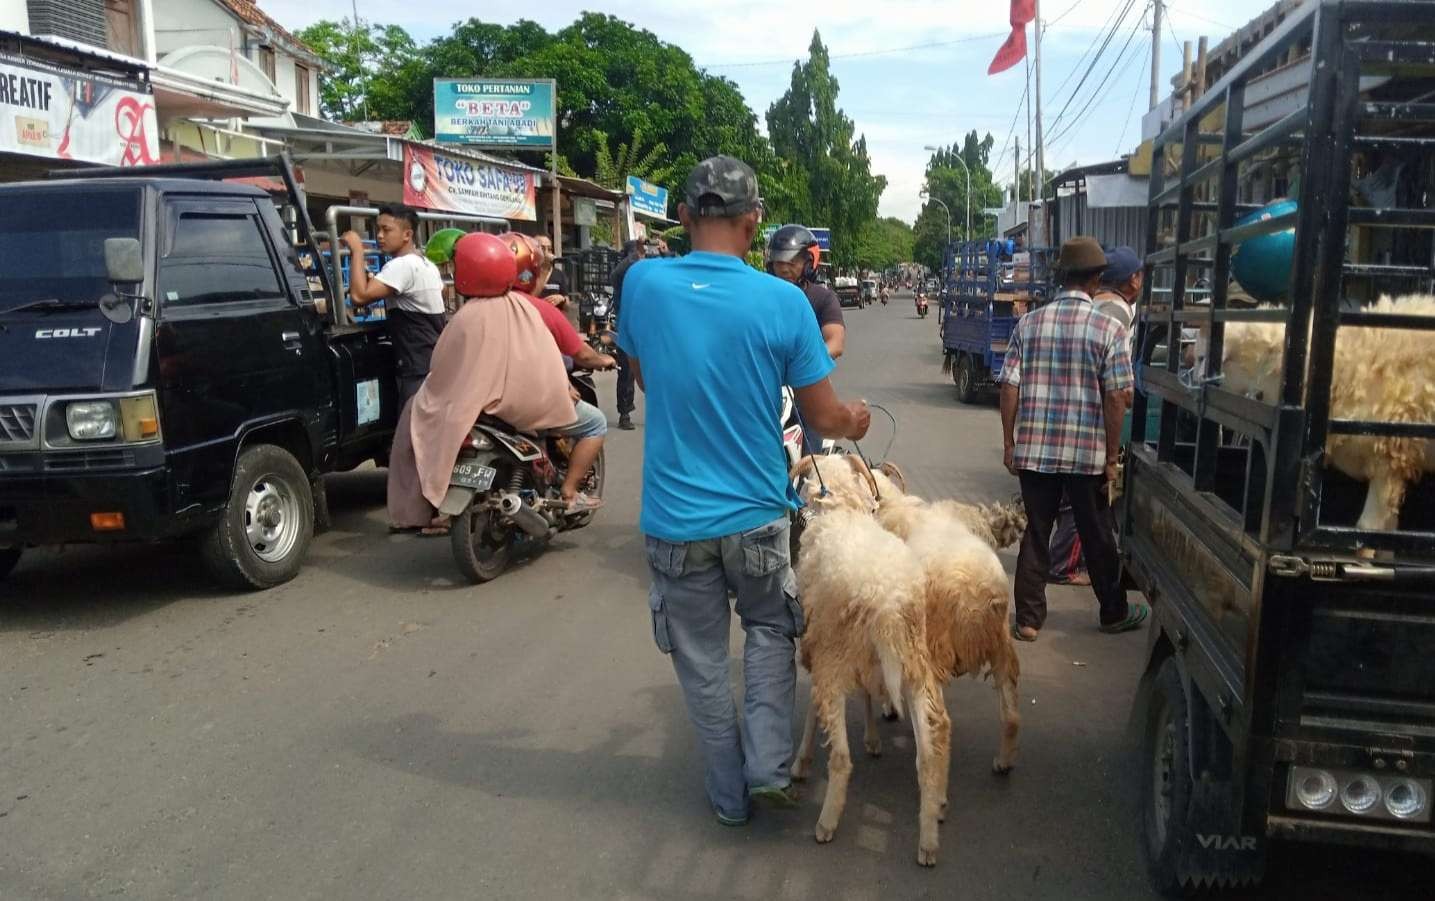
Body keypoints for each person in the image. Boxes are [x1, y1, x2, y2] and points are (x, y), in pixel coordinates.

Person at [618, 155, 870, 828]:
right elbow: (822, 418)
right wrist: (855, 421)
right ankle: (766, 770)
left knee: (700, 659)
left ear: (681, 217)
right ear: (753, 222)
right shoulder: (783, 301)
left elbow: (644, 380)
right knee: (766, 632)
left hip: (673, 521)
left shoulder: (641, 283)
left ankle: (728, 797)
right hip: (758, 514)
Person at [385, 233, 606, 534]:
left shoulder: (463, 317)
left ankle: (421, 510)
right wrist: (562, 385)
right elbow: (547, 363)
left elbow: (442, 367)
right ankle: (569, 491)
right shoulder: (530, 309)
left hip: (476, 409)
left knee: (416, 416)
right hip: (527, 408)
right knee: (595, 424)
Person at [999, 236, 1148, 642]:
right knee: (1098, 534)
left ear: (1062, 276)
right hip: (1087, 455)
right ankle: (1113, 612)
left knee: (1037, 531)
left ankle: (1028, 620)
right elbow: (1117, 395)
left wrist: (1010, 443)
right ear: (1097, 279)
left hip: (1036, 452)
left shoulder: (1028, 324)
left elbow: (1009, 387)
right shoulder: (1108, 328)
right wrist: (1112, 456)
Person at [1047, 245, 1144, 587]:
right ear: (1131, 279)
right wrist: (1111, 455)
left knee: (1065, 502)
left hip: (1056, 422)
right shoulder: (1115, 315)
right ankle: (1067, 565)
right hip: (1091, 425)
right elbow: (1116, 390)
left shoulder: (1067, 312)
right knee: (1088, 502)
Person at [342, 205, 446, 408]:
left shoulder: (402, 265)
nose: (380, 235)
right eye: (378, 229)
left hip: (416, 367)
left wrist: (357, 250)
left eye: (387, 230)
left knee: (411, 429)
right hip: (432, 360)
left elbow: (358, 295)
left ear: (407, 234)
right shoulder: (426, 264)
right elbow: (440, 292)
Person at [610, 237, 670, 430]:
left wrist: (665, 252)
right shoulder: (624, 272)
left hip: (654, 327)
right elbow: (615, 274)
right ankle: (624, 413)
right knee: (626, 373)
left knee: (659, 371)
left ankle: (661, 412)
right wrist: (636, 254)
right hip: (628, 327)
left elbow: (678, 269)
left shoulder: (655, 270)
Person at [764, 225, 844, 360]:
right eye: (779, 263)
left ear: (808, 264)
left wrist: (804, 363)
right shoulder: (760, 297)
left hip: (808, 378)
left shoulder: (823, 298)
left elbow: (835, 343)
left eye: (792, 263)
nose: (784, 269)